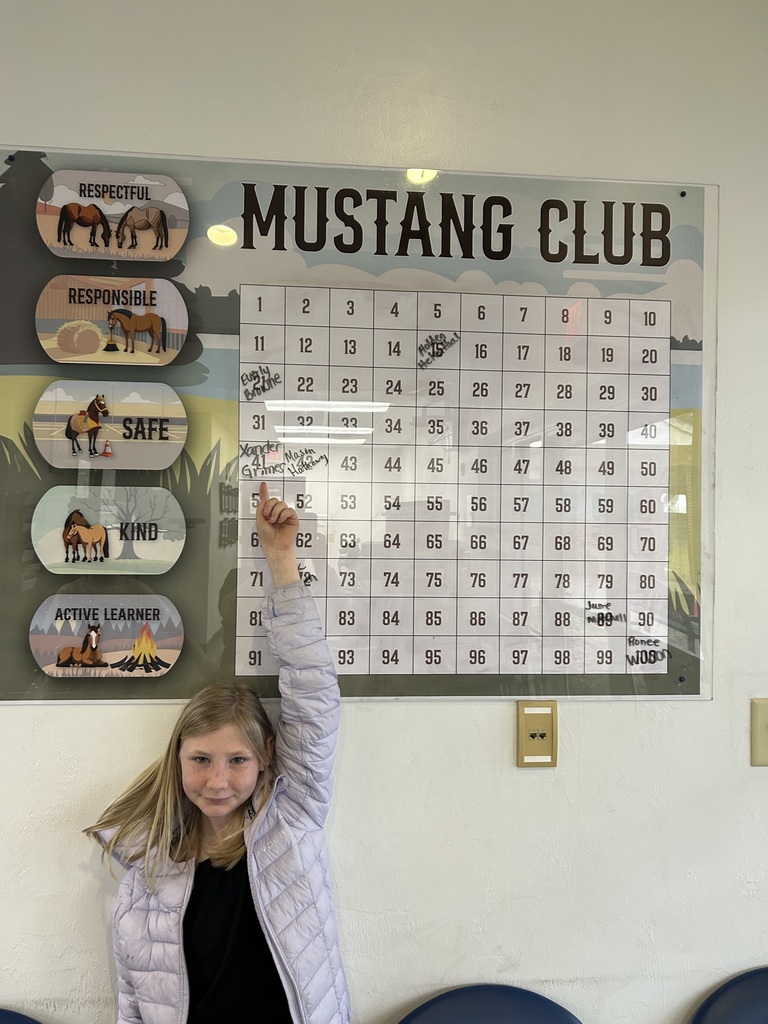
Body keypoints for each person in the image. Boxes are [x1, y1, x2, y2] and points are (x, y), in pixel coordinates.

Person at [85, 481, 351, 1024]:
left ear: (268, 758)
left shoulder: (291, 821)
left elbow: (315, 692)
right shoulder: (145, 872)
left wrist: (281, 559)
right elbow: (133, 1006)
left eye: (238, 761)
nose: (218, 781)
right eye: (201, 760)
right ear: (177, 757)